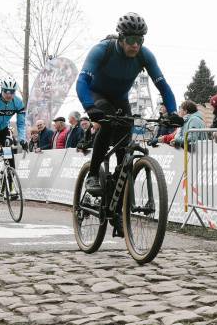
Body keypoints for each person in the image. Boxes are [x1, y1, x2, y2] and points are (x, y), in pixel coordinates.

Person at [76, 12, 179, 197]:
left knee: (126, 143)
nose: (135, 45)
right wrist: (90, 107)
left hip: (120, 98)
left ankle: (119, 197)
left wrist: (172, 112)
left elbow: (163, 86)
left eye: (140, 40)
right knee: (107, 125)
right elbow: (82, 81)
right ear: (121, 38)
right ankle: (92, 174)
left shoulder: (145, 55)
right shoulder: (101, 50)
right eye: (131, 39)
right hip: (97, 94)